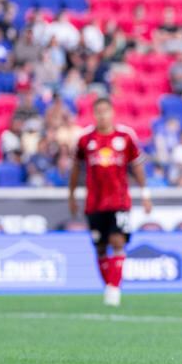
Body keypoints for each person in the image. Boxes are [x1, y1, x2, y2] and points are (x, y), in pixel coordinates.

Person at [68, 97, 151, 307]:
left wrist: (145, 193)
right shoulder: (85, 139)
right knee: (100, 247)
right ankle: (109, 286)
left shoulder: (125, 136)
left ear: (112, 112)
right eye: (98, 112)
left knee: (117, 241)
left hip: (119, 200)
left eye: (106, 111)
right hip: (94, 202)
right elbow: (76, 168)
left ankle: (114, 289)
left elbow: (137, 166)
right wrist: (71, 195)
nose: (102, 115)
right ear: (94, 114)